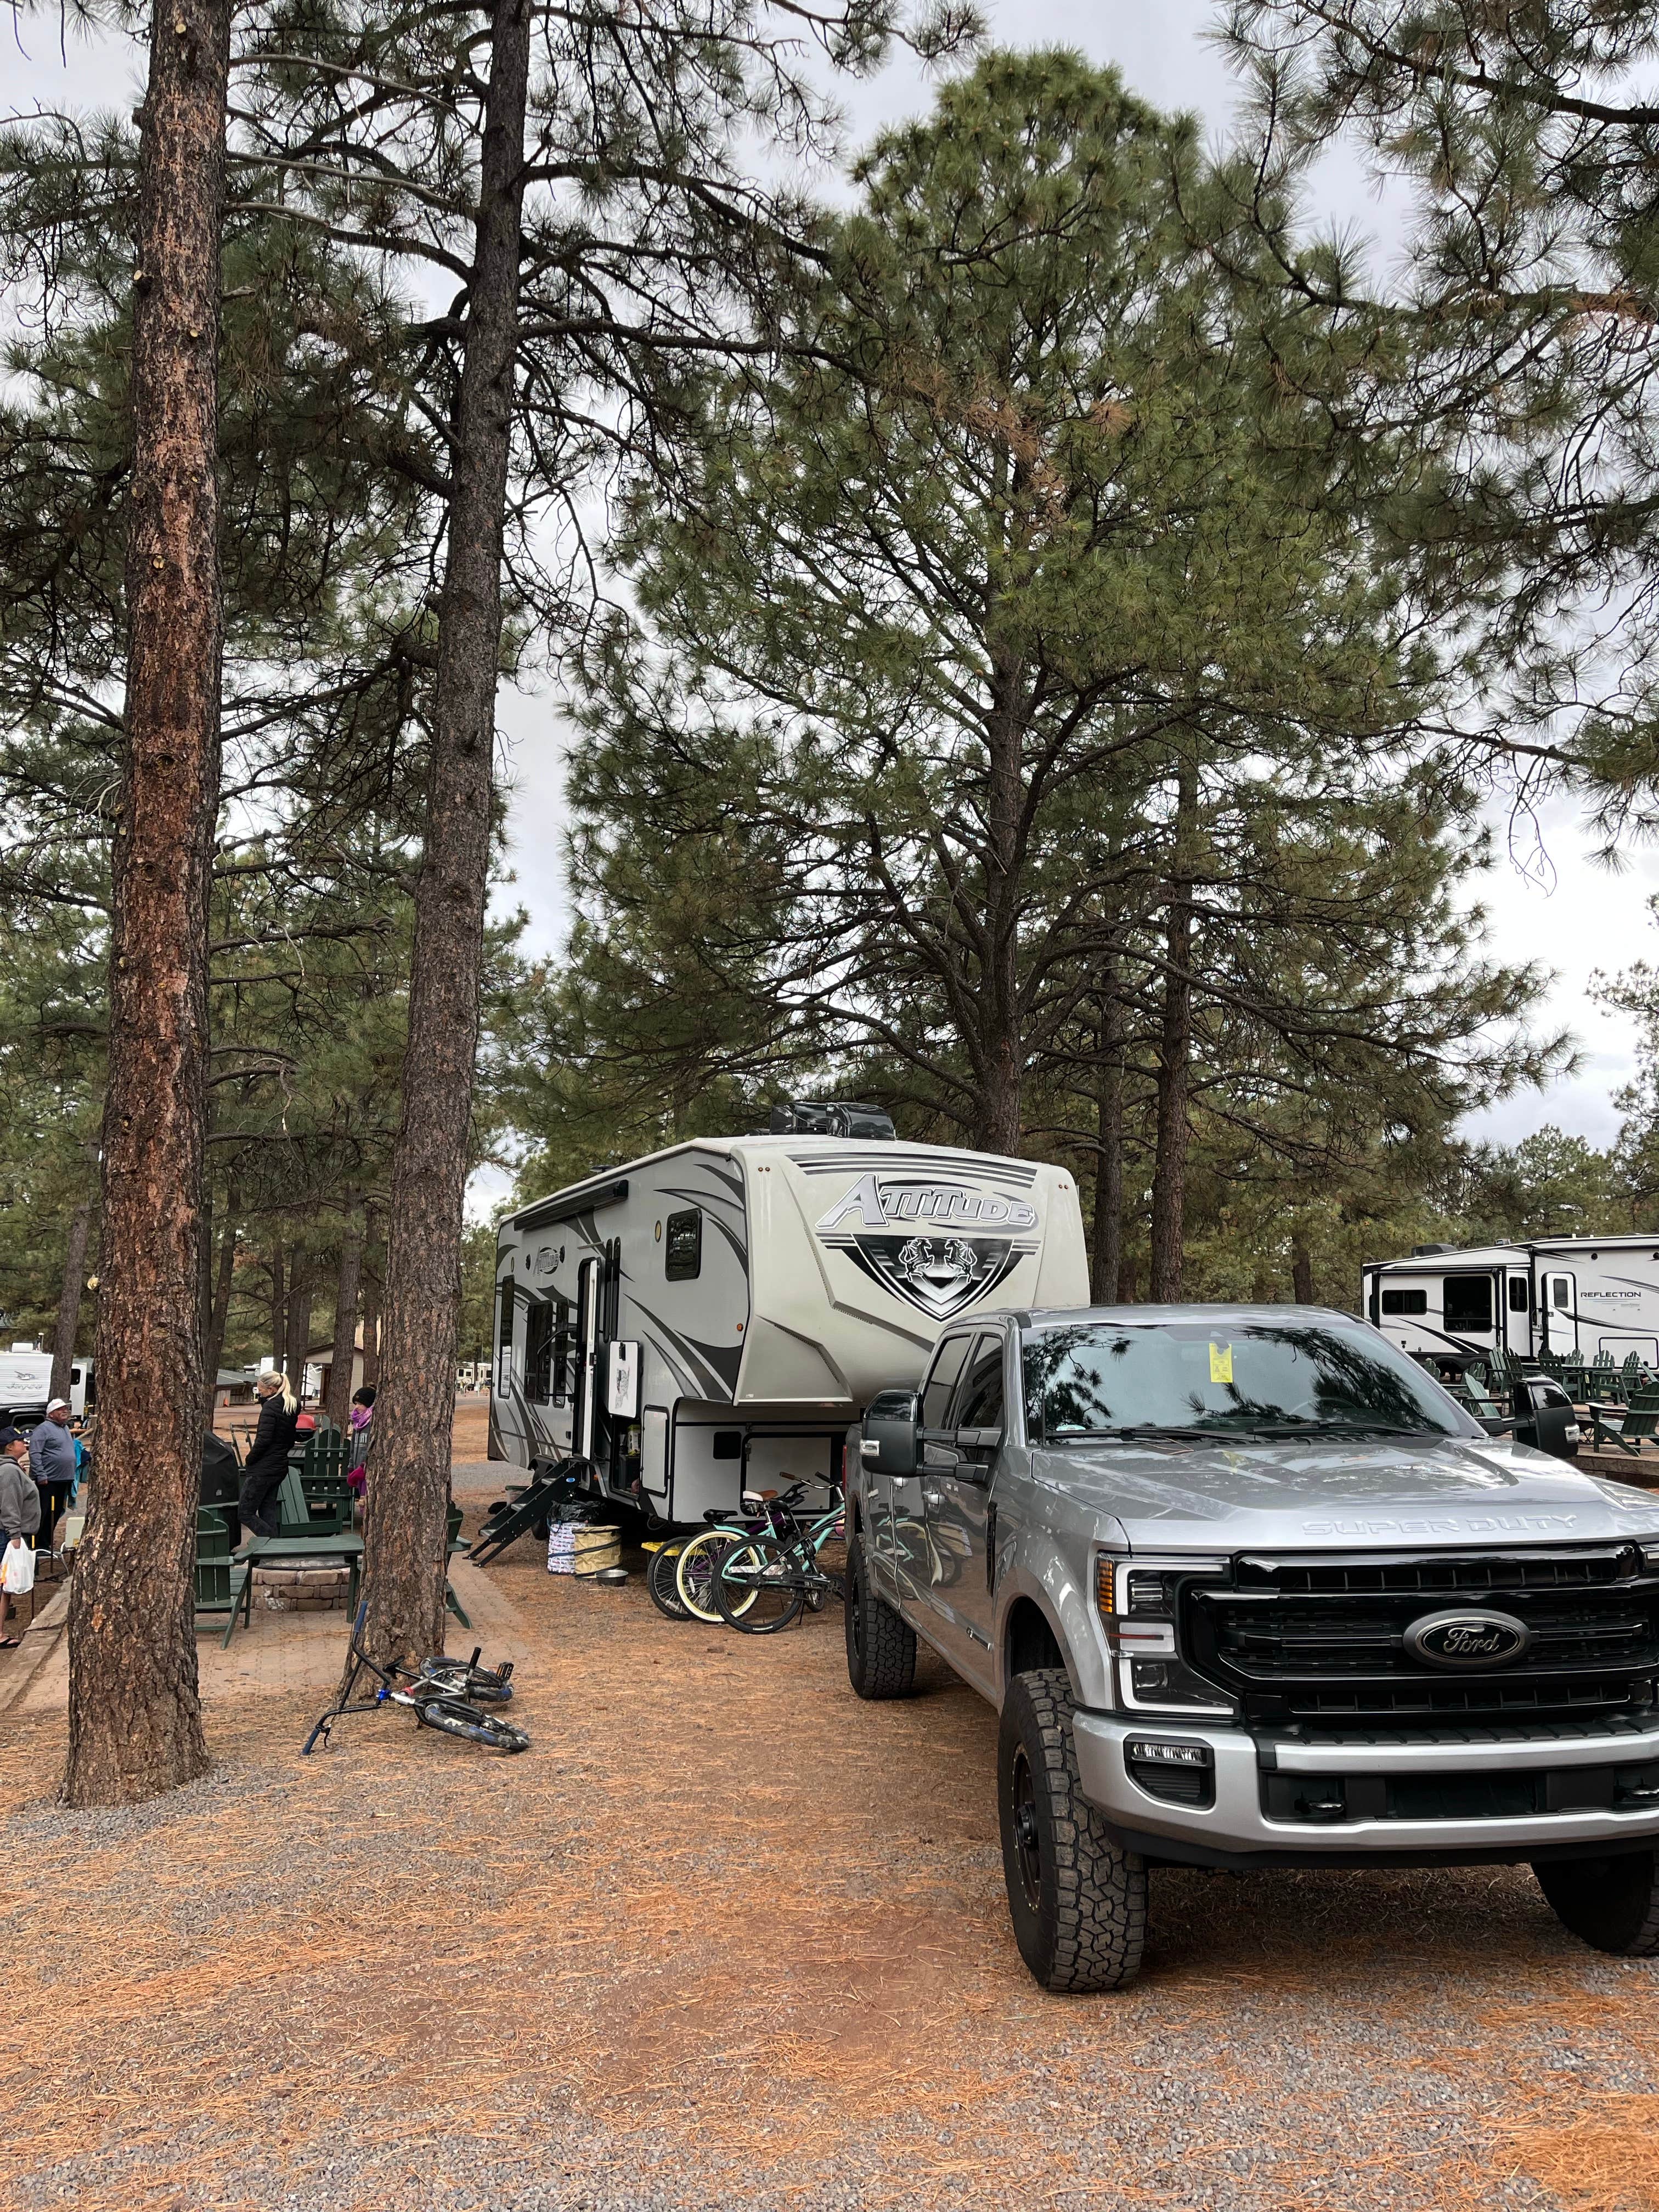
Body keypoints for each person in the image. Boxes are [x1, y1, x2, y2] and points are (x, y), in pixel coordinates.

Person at [238, 1372, 300, 1539]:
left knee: (245, 1512)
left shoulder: (270, 1408)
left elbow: (264, 1440)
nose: (259, 1393)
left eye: (261, 1390)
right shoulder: (289, 1406)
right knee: (267, 1509)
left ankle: (272, 1542)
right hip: (279, 1466)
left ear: (271, 1389)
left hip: (263, 1468)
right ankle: (272, 1551)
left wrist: (250, 1459)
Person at [0, 1429, 42, 1649]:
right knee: (3, 1585)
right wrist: (14, 1535)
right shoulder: (8, 1471)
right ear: (9, 1446)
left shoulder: (12, 1469)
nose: (25, 1444)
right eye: (20, 1441)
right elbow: (9, 1505)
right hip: (6, 1534)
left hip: (6, 1532)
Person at [29, 1399, 77, 1560]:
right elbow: (35, 1453)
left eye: (66, 1409)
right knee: (43, 1512)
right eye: (61, 1409)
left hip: (64, 1480)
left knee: (56, 1513)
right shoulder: (43, 1429)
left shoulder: (64, 1429)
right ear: (51, 1413)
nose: (65, 1411)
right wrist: (41, 1475)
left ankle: (46, 1543)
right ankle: (35, 1545)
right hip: (48, 1481)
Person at [347, 1385, 375, 1497]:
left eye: (361, 1404)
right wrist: (351, 1467)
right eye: (356, 1403)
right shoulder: (357, 1424)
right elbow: (353, 1448)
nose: (357, 1407)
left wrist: (364, 1466)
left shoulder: (371, 1423)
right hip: (357, 1470)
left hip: (367, 1470)